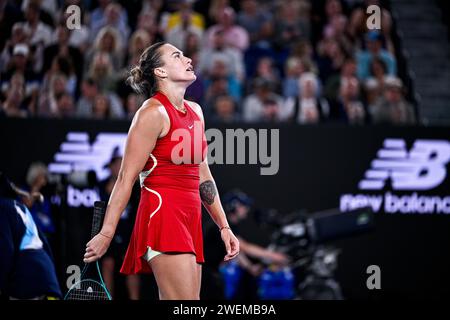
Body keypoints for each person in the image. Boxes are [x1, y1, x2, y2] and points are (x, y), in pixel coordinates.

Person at [83, 41, 240, 300]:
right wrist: (107, 233)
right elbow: (125, 178)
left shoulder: (196, 112)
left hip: (190, 218)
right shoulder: (152, 113)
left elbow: (203, 177)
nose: (188, 59)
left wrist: (224, 227)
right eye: (177, 56)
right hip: (163, 213)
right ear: (161, 72)